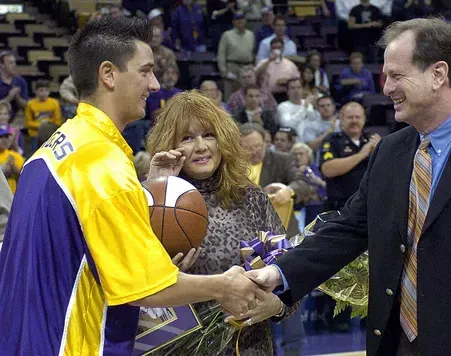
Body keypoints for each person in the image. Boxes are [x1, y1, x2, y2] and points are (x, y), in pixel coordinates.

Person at [245, 18, 451, 355]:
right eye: (386, 76)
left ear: (438, 74)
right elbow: (348, 229)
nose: (386, 88)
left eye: (397, 76)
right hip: (393, 345)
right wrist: (278, 273)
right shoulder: (390, 150)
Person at [0, 17, 264, 355]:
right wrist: (225, 286)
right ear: (108, 74)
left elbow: (71, 252)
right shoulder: (101, 163)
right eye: (145, 70)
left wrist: (144, 192)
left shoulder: (48, 153)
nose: (154, 84)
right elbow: (144, 287)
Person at [146, 91, 294, 355]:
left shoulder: (252, 198)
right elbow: (131, 287)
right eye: (188, 138)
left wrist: (278, 306)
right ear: (170, 143)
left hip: (250, 347)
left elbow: (290, 272)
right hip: (181, 348)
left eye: (209, 135)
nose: (201, 146)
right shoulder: (149, 200)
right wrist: (157, 187)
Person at [24, 79, 62, 155]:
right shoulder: (30, 104)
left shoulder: (54, 103)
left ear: (49, 91)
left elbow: (58, 121)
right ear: (35, 91)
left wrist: (47, 127)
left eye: (46, 90)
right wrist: (41, 126)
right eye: (41, 90)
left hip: (51, 135)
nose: (43, 93)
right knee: (34, 155)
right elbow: (28, 123)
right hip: (35, 135)